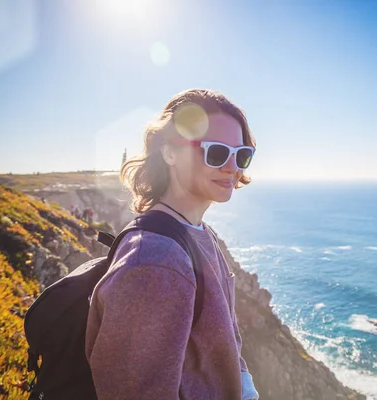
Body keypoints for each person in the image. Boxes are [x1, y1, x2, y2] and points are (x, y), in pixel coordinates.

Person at [85, 89, 259, 400]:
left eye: (242, 154)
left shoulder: (199, 233)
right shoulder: (154, 262)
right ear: (169, 152)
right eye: (216, 152)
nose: (233, 167)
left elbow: (227, 342)